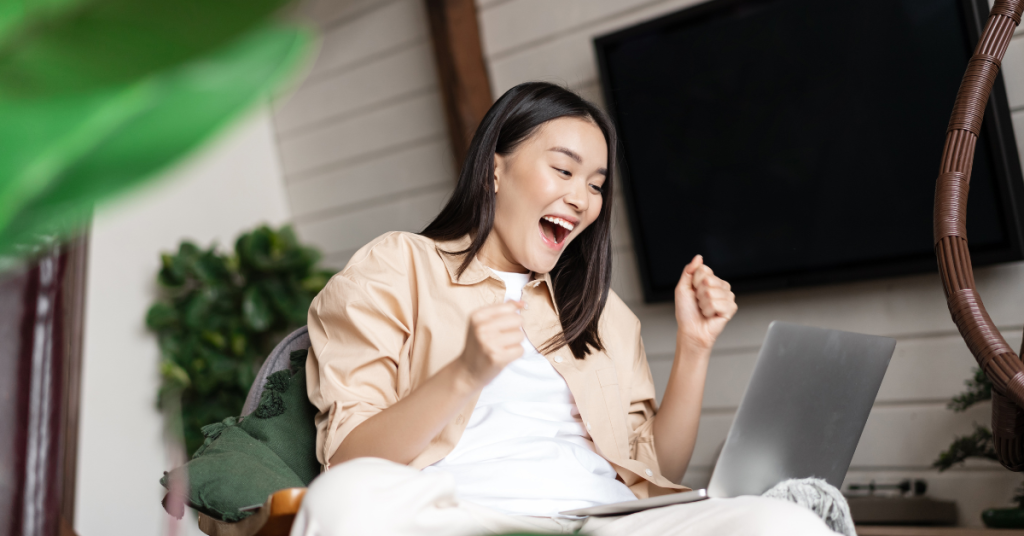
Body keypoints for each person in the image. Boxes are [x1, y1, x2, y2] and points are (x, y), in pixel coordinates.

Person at [291, 82, 836, 536]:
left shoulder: (601, 311)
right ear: (494, 170)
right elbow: (350, 457)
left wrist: (695, 347)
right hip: (465, 516)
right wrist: (464, 374)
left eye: (597, 185)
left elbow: (655, 472)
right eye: (564, 170)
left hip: (602, 519)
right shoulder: (399, 266)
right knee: (343, 496)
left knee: (786, 524)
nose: (582, 198)